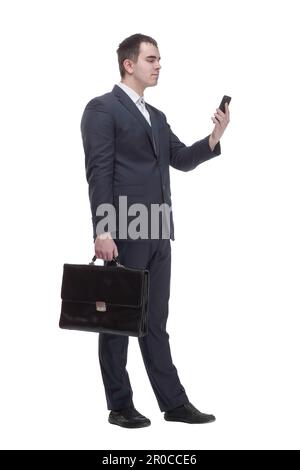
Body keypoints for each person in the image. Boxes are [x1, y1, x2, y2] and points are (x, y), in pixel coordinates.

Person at [80, 33, 230, 428]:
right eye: (151, 58)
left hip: (159, 232)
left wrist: (215, 136)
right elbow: (100, 173)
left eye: (159, 58)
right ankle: (120, 405)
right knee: (117, 322)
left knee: (154, 322)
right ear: (129, 64)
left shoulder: (157, 117)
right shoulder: (102, 109)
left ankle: (174, 404)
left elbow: (179, 158)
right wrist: (104, 229)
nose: (158, 65)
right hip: (124, 230)